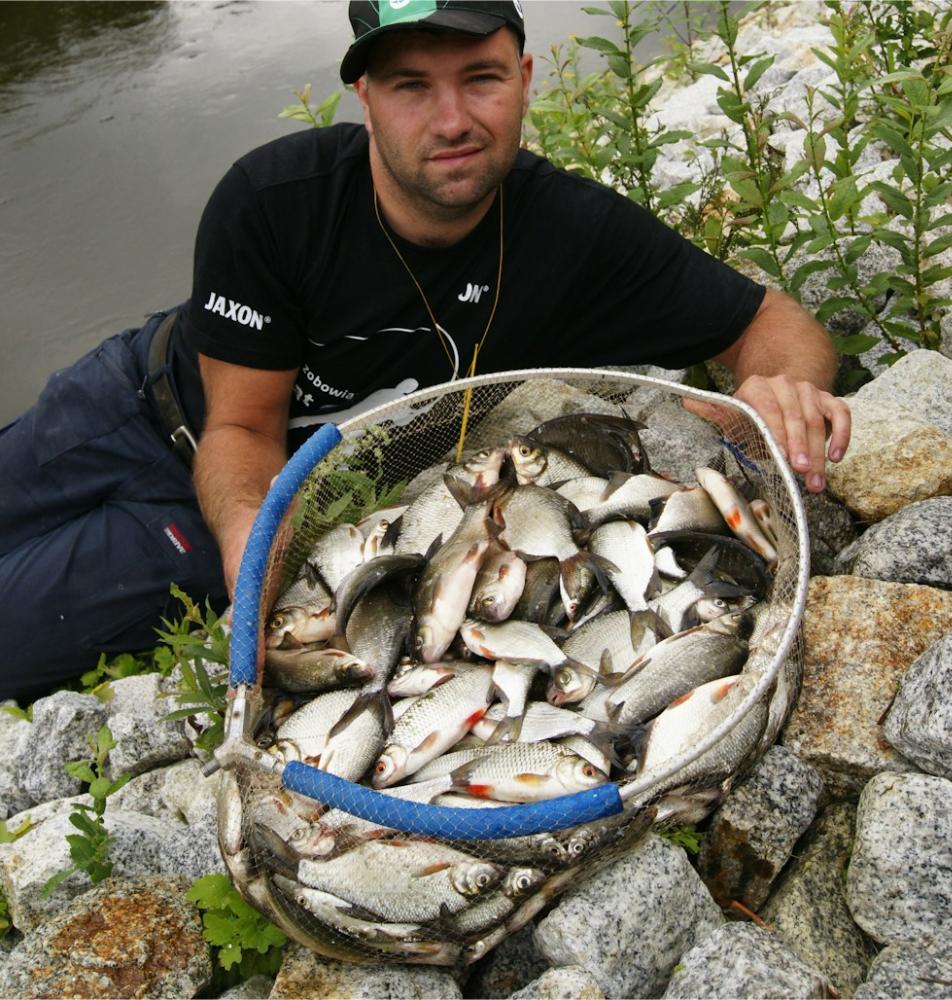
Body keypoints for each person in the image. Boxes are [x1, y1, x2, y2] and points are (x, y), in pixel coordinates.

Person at [0, 0, 850, 701]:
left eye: (480, 78)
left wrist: (778, 388)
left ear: (522, 80)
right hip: (151, 420)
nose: (452, 121)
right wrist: (257, 545)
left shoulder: (573, 234)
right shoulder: (272, 203)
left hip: (185, 525)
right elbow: (242, 431)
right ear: (365, 96)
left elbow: (774, 323)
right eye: (412, 86)